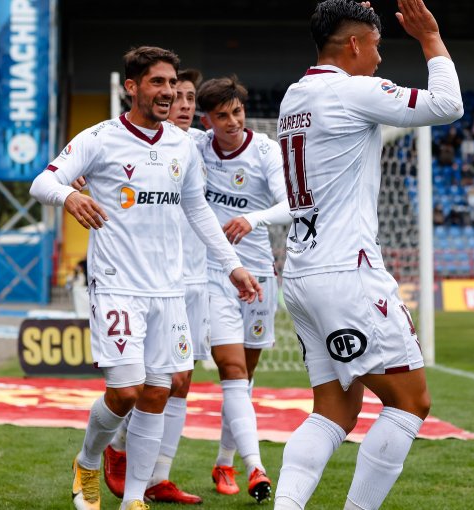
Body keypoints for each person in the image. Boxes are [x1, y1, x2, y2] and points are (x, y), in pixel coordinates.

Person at [29, 46, 261, 510]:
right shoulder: (100, 137)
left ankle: (134, 497)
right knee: (126, 390)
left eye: (172, 83)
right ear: (131, 87)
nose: (168, 92)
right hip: (117, 283)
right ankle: (89, 461)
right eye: (157, 82)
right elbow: (43, 181)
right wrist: (69, 199)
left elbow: (197, 210)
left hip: (169, 288)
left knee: (160, 390)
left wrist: (232, 265)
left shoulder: (182, 144)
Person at [273, 1, 463, 509]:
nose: (379, 59)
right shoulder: (351, 91)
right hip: (346, 273)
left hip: (303, 272)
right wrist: (431, 40)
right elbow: (448, 106)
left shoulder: (295, 96)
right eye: (376, 46)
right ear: (354, 44)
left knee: (335, 408)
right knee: (411, 402)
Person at [102, 68, 207, 505]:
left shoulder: (198, 143)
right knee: (138, 387)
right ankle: (113, 450)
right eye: (173, 93)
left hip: (195, 279)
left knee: (177, 382)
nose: (181, 103)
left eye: (187, 97)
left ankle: (153, 480)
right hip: (136, 280)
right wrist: (77, 185)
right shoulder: (117, 141)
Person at [196, 74, 291, 503]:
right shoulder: (196, 148)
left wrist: (253, 219)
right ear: (207, 120)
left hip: (259, 277)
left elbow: (293, 205)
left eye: (237, 112)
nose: (233, 121)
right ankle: (256, 468)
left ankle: (224, 461)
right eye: (222, 116)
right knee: (232, 371)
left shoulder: (266, 151)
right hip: (215, 273)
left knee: (244, 380)